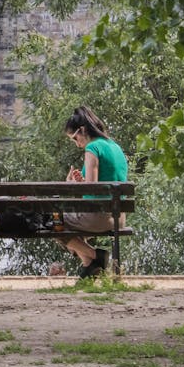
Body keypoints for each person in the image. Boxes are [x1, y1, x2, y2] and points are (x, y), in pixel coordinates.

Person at [58, 106, 129, 278]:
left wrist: (71, 184)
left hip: (99, 217)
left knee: (51, 224)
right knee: (68, 230)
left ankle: (97, 256)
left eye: (75, 138)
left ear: (82, 130)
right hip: (119, 217)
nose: (77, 144)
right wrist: (81, 182)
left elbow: (92, 188)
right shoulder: (114, 146)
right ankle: (90, 265)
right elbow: (98, 186)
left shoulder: (92, 148)